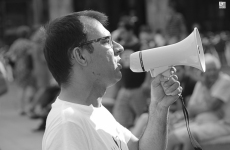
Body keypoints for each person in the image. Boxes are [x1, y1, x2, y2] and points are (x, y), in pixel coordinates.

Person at [42, 10, 182, 150]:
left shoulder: (94, 110)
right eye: (106, 41)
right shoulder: (67, 125)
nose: (119, 47)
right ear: (81, 56)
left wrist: (158, 107)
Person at [167, 53, 230, 150]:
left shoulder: (224, 81)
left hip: (221, 124)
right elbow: (191, 108)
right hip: (202, 121)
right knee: (171, 133)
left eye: (214, 69)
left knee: (187, 137)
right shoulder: (202, 83)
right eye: (209, 70)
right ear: (203, 72)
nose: (212, 73)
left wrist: (204, 86)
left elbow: (212, 105)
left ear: (219, 70)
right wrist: (204, 108)